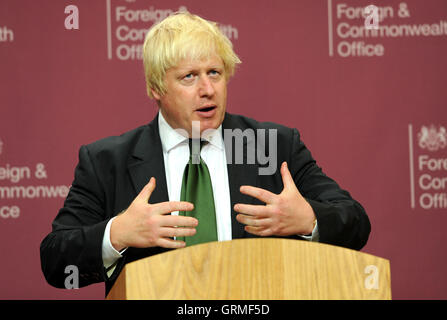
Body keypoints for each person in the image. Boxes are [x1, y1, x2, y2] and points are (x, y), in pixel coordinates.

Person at [40, 12, 370, 295]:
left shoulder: (272, 145)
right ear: (156, 88)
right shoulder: (107, 161)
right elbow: (56, 261)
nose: (207, 89)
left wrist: (309, 220)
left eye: (214, 72)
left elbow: (356, 223)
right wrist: (117, 234)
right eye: (189, 77)